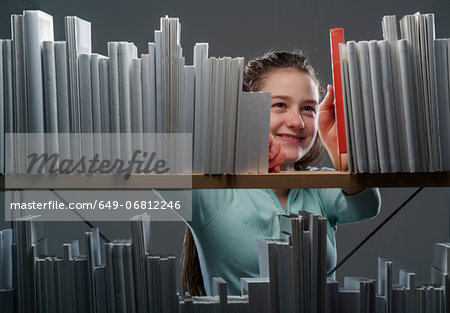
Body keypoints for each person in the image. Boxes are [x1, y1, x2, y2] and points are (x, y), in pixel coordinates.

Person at [182, 51, 381, 296]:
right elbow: (136, 161)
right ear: (244, 113)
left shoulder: (319, 186)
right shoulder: (213, 191)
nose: (297, 121)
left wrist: (343, 150)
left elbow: (367, 205)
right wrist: (229, 146)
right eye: (279, 105)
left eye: (308, 108)